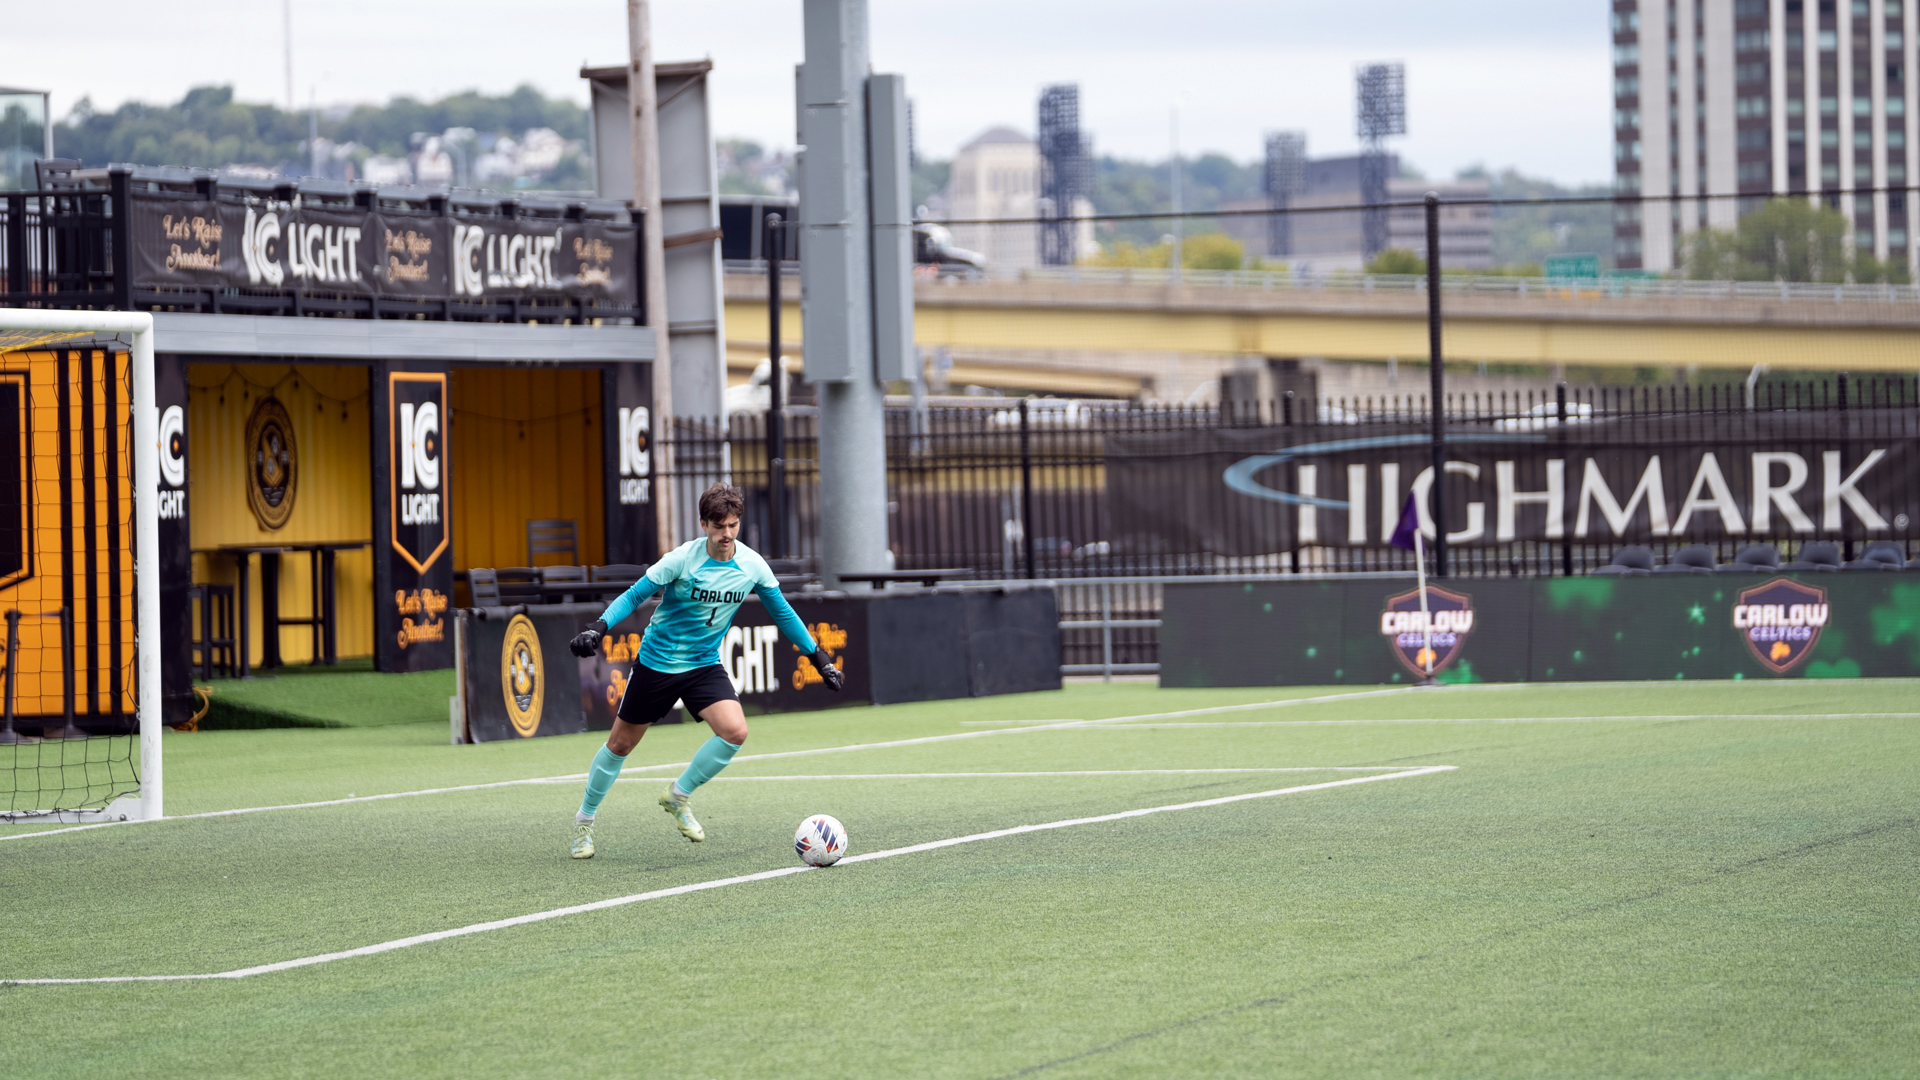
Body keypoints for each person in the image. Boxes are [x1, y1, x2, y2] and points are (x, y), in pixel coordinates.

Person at [564, 482, 842, 859]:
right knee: (620, 745)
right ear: (703, 524)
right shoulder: (681, 559)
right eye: (718, 526)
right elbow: (634, 595)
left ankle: (678, 796)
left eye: (732, 525)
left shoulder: (752, 565)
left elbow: (784, 615)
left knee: (735, 731)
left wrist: (819, 658)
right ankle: (584, 824)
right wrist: (599, 627)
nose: (726, 534)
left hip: (703, 665)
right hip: (657, 664)